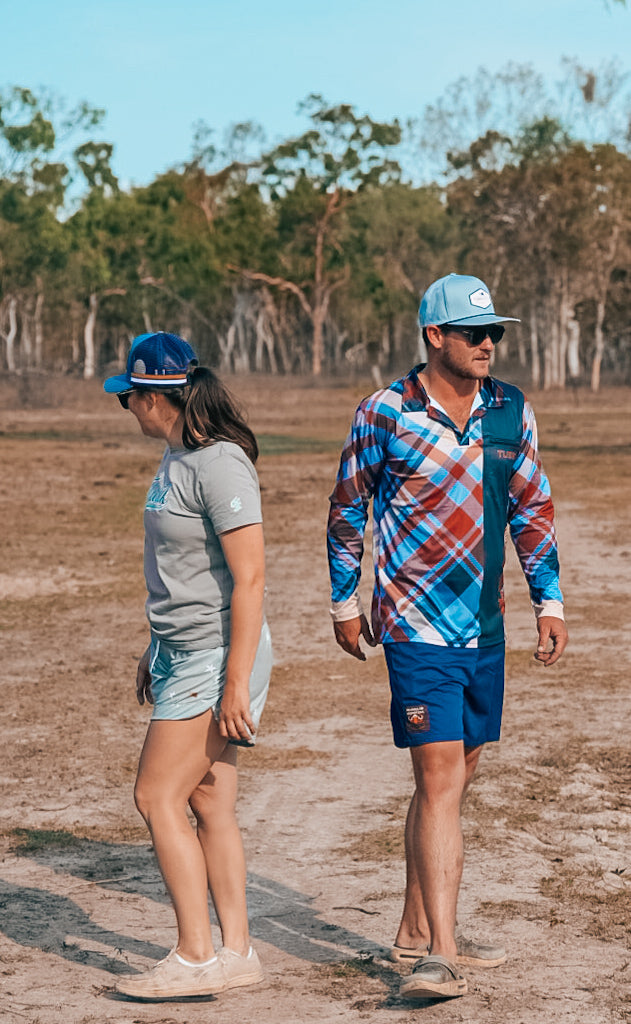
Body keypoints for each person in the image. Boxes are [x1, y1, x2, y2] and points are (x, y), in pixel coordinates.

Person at [327, 274, 568, 1001]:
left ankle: (413, 930)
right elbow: (348, 509)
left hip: (485, 628)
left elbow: (531, 508)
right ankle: (441, 953)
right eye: (473, 333)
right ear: (434, 336)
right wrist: (344, 602)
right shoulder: (385, 412)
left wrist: (549, 601)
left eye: (494, 332)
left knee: (455, 779)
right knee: (437, 782)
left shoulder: (510, 410)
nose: (488, 344)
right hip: (413, 625)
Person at [103, 331, 272, 1000]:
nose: (126, 409)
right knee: (206, 800)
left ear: (153, 398)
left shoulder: (219, 463)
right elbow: (179, 570)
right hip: (183, 652)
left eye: (127, 398)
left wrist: (235, 683)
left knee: (155, 796)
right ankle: (238, 953)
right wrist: (157, 646)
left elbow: (250, 578)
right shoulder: (176, 458)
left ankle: (195, 955)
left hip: (216, 656)